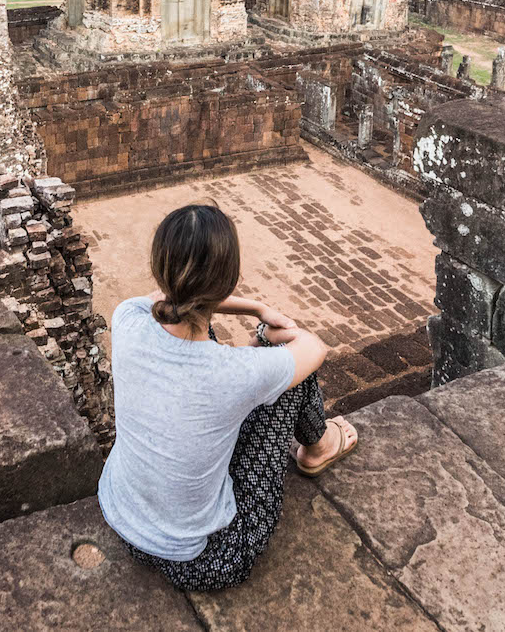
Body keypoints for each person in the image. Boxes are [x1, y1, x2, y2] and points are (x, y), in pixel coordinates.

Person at [98, 203, 358, 591]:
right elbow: (313, 347)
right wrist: (267, 334)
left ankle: (313, 440)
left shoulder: (126, 318)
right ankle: (319, 446)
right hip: (207, 558)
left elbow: (173, 300)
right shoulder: (231, 372)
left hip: (124, 518)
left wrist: (254, 308)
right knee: (293, 379)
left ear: (159, 268)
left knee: (218, 343)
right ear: (229, 280)